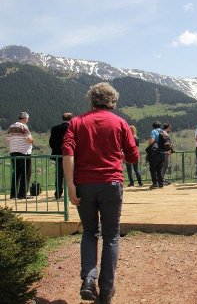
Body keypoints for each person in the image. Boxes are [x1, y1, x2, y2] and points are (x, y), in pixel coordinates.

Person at [62, 82, 139, 303]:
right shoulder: (120, 123)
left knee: (89, 233)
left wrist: (70, 185)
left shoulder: (76, 122)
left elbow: (68, 153)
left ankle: (88, 279)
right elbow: (133, 156)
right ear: (112, 101)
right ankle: (106, 289)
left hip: (84, 186)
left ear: (91, 99)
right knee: (111, 235)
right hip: (112, 184)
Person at [7, 111, 34, 199]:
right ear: (25, 118)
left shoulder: (11, 126)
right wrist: (33, 141)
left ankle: (13, 194)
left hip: (13, 152)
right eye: (27, 119)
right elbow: (28, 139)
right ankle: (22, 194)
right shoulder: (23, 127)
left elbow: (8, 139)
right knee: (26, 173)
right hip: (24, 152)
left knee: (16, 173)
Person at [49, 112, 73, 199]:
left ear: (62, 118)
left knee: (59, 175)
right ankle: (72, 193)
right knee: (72, 174)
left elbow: (51, 142)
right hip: (71, 155)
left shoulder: (55, 128)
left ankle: (58, 193)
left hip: (58, 155)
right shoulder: (72, 128)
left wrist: (56, 150)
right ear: (71, 119)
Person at [147, 121, 166, 189]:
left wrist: (149, 147)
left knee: (153, 168)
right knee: (159, 169)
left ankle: (155, 183)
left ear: (153, 126)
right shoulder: (163, 132)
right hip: (163, 153)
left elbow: (152, 140)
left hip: (155, 153)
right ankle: (161, 183)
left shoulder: (153, 131)